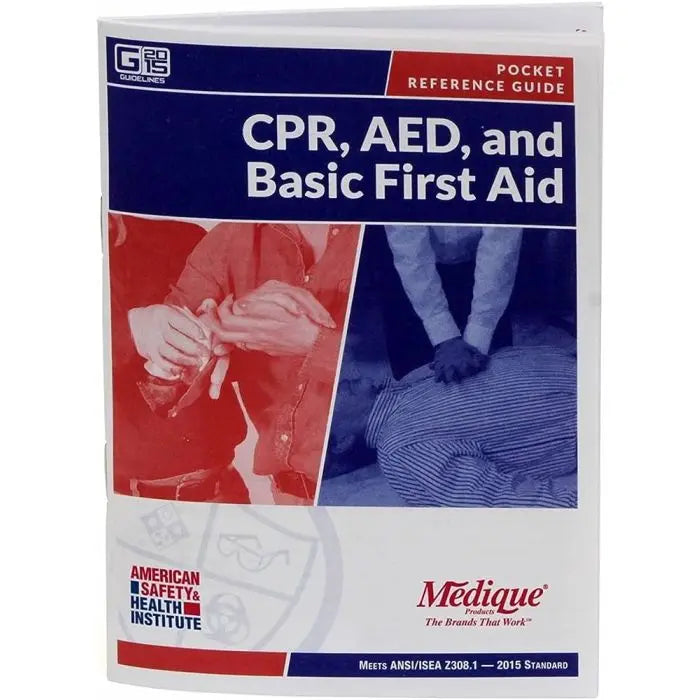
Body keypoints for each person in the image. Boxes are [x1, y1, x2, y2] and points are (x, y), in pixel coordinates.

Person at [128, 221, 360, 505]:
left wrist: (316, 343)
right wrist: (216, 331)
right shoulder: (230, 238)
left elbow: (410, 373)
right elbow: (163, 386)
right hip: (289, 498)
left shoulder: (389, 234)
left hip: (381, 485)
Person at [326, 345, 577, 508]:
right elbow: (494, 501)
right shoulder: (400, 448)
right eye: (323, 398)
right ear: (342, 441)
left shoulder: (406, 384)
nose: (334, 383)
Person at [108, 213, 249, 502]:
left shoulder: (188, 239)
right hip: (130, 501)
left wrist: (229, 335)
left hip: (226, 489)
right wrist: (129, 330)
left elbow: (247, 366)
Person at [382, 225, 522, 382]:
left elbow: (501, 246)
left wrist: (476, 340)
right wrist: (444, 336)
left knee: (496, 374)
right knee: (411, 379)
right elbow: (410, 251)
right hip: (412, 275)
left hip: (488, 275)